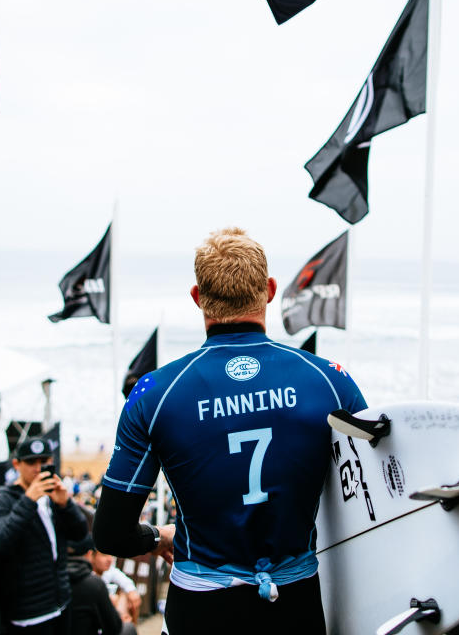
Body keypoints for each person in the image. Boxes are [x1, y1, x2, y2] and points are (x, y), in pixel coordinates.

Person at [93, 227, 367, 634]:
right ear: (270, 290)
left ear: (197, 297)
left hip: (200, 612)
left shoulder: (156, 394)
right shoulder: (329, 380)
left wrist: (159, 537)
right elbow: (372, 500)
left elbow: (112, 533)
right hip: (297, 608)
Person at [0, 437, 89, 634]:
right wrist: (28, 500)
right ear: (17, 464)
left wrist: (65, 504)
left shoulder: (51, 497)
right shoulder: (3, 499)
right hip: (27, 613)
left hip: (60, 603)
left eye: (44, 462)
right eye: (31, 462)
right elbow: (0, 543)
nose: (37, 468)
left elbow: (80, 534)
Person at [67, 536, 137, 635]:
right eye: (104, 555)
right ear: (90, 555)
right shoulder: (93, 583)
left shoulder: (56, 577)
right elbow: (113, 628)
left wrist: (130, 592)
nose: (109, 559)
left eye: (111, 555)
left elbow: (123, 580)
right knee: (128, 628)